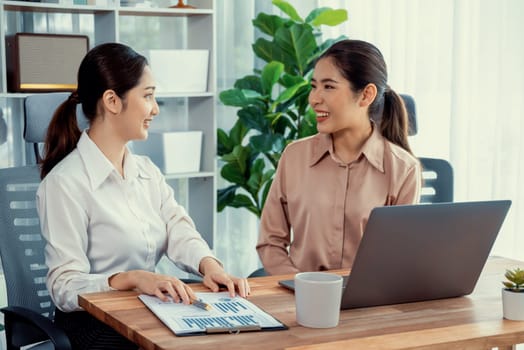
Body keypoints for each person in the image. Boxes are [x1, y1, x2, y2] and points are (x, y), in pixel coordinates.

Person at [36, 42, 250, 349]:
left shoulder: (146, 171)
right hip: (92, 323)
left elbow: (179, 229)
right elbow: (64, 286)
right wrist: (131, 278)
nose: (155, 108)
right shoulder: (64, 184)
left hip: (145, 308)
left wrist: (209, 266)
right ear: (112, 101)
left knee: (229, 335)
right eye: (147, 95)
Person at [256, 39, 422, 275]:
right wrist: (300, 284)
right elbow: (270, 243)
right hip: (299, 298)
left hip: (368, 303)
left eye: (329, 87)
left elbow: (399, 257)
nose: (314, 99)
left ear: (366, 95)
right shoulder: (294, 157)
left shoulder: (403, 170)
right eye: (314, 86)